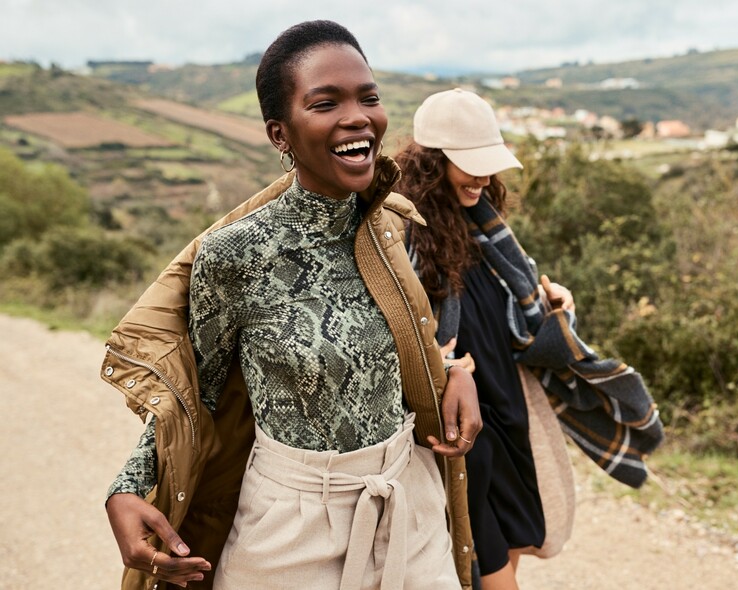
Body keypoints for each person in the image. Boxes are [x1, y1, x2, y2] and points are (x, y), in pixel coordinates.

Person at [102, 22, 481, 590]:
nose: (357, 117)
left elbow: (385, 343)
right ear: (280, 134)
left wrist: (451, 372)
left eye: (368, 98)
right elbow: (199, 395)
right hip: (292, 528)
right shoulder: (235, 256)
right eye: (326, 103)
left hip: (408, 502)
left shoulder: (387, 224)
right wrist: (127, 486)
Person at [396, 88, 665, 590]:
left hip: (510, 404)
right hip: (464, 419)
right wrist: (440, 364)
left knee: (511, 545)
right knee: (483, 564)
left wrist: (557, 310)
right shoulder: (403, 234)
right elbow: (395, 331)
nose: (482, 177)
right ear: (433, 163)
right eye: (468, 164)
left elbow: (517, 324)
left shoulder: (486, 232)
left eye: (487, 165)